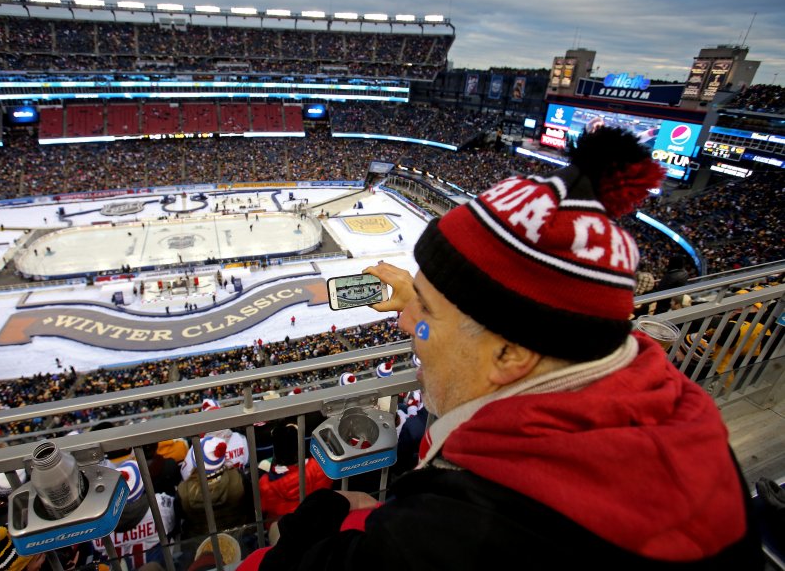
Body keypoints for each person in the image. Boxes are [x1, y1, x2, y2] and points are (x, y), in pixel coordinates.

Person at [244, 128, 761, 569]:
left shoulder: (451, 539)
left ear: (510, 355)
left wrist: (324, 516)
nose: (407, 322)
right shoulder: (674, 411)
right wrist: (429, 302)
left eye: (424, 309)